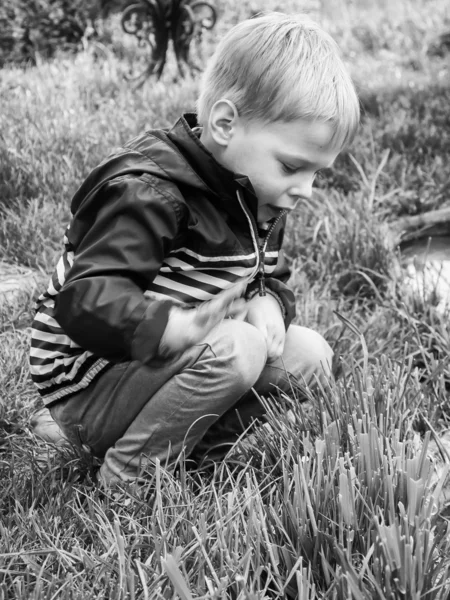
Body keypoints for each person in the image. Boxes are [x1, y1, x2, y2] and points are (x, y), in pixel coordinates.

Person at [29, 12, 360, 486]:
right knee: (238, 347)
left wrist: (269, 301)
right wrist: (166, 327)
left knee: (309, 354)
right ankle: (130, 473)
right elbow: (84, 300)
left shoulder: (257, 196)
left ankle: (189, 454)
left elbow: (265, 276)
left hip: (165, 372)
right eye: (292, 166)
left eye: (316, 173)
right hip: (89, 380)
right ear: (225, 123)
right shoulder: (150, 194)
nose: (305, 189)